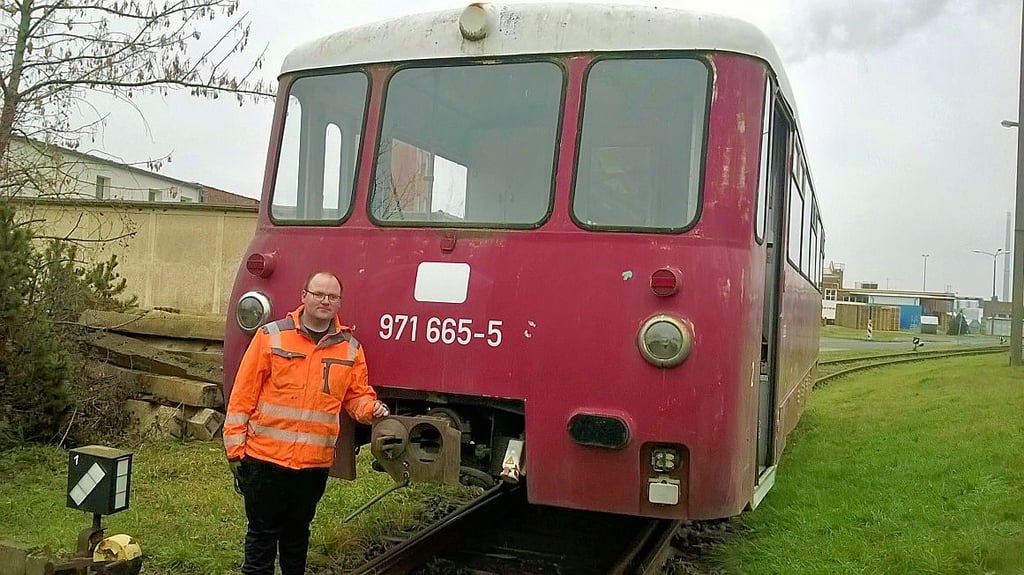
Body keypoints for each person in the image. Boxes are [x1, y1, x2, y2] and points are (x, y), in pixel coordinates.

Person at [223, 271, 389, 575]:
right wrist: (235, 451)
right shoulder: (271, 336)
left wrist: (371, 410)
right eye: (318, 294)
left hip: (313, 466)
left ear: (339, 303)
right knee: (261, 538)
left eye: (332, 296)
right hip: (265, 460)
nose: (325, 300)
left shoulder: (350, 349)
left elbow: (356, 397)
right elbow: (242, 396)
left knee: (296, 538)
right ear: (304, 296)